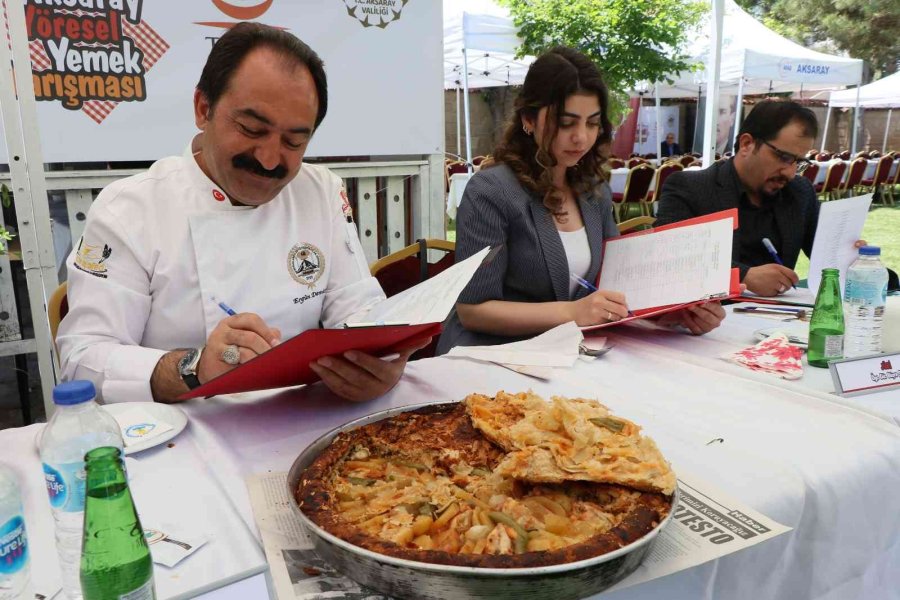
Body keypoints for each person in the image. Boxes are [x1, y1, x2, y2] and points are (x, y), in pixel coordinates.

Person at [56, 23, 428, 404]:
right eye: (251, 129)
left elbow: (358, 308)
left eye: (293, 141)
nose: (270, 158)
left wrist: (379, 362)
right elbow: (82, 357)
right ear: (204, 109)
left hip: (298, 416)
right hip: (181, 434)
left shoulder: (321, 191)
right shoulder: (130, 209)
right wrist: (194, 367)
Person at [436, 47, 725, 354]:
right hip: (492, 359)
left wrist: (667, 312)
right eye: (566, 123)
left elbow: (612, 282)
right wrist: (573, 313)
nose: (581, 138)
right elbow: (473, 311)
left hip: (569, 356)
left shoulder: (591, 190)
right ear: (528, 119)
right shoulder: (491, 191)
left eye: (592, 123)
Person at [657, 99, 864, 297]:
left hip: (778, 323)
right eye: (783, 158)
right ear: (747, 144)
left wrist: (854, 260)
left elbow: (828, 254)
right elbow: (669, 262)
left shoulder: (799, 192)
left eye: (798, 162)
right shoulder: (690, 188)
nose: (790, 173)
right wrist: (744, 275)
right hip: (705, 322)